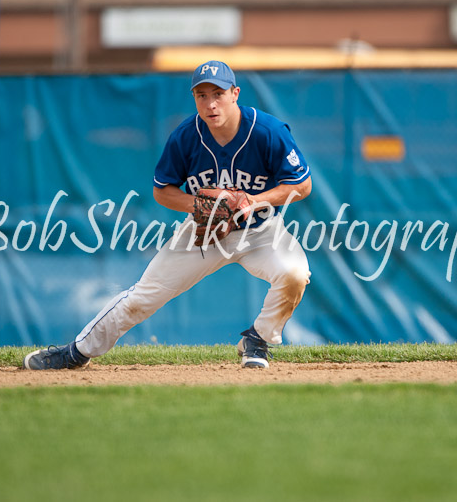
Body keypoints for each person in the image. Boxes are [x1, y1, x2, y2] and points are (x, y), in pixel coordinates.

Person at [23, 60, 312, 370]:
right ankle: (76, 352)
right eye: (202, 95)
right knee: (142, 298)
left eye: (218, 93)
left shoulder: (267, 131)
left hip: (261, 232)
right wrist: (201, 207)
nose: (210, 103)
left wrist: (251, 202)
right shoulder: (186, 137)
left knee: (294, 275)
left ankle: (258, 339)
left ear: (235, 93)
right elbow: (162, 190)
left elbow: (301, 184)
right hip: (204, 232)